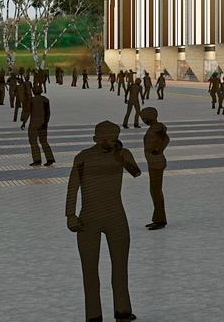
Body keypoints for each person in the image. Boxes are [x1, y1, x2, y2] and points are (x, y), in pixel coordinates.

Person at [67, 121, 141, 321]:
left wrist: (121, 157)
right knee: (90, 270)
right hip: (88, 217)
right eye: (105, 138)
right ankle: (94, 315)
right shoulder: (83, 157)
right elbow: (73, 186)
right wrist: (70, 215)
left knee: (120, 267)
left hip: (116, 216)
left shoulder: (122, 154)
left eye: (113, 138)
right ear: (95, 139)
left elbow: (136, 172)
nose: (109, 142)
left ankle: (122, 310)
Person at [140, 108, 169, 230]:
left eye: (144, 118)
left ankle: (160, 219)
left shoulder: (157, 128)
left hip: (156, 163)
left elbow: (165, 140)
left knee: (156, 191)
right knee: (154, 190)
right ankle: (157, 218)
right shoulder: (155, 127)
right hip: (153, 162)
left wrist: (157, 149)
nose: (143, 120)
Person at [28, 83, 55, 166]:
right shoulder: (45, 100)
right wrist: (46, 122)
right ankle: (50, 159)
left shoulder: (31, 100)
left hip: (33, 124)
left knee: (33, 142)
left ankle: (37, 160)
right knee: (44, 141)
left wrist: (24, 121)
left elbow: (27, 112)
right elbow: (48, 113)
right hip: (43, 123)